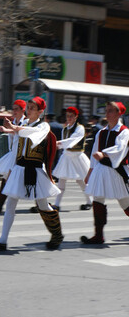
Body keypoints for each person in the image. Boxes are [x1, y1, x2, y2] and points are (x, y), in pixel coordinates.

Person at [0, 97, 63, 251]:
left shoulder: (43, 126)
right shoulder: (23, 124)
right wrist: (11, 168)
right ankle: (2, 240)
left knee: (43, 204)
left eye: (33, 108)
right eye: (29, 107)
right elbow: (16, 148)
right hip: (20, 168)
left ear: (40, 112)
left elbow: (32, 134)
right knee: (11, 203)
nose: (29, 110)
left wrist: (14, 127)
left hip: (36, 170)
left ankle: (57, 234)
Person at [80, 102, 129, 245]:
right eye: (106, 111)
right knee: (97, 200)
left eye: (111, 111)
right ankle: (98, 235)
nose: (107, 114)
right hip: (101, 170)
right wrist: (89, 172)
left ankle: (98, 235)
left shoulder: (124, 131)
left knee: (125, 203)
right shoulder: (101, 132)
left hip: (117, 171)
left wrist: (103, 154)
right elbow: (94, 155)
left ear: (119, 113)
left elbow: (120, 149)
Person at [0, 99, 27, 213]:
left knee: (31, 180)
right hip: (14, 154)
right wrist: (8, 128)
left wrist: (7, 129)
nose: (14, 111)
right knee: (7, 177)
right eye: (14, 109)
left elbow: (19, 132)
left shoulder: (25, 122)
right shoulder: (14, 122)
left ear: (23, 110)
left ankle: (42, 205)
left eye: (17, 109)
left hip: (23, 156)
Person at [52, 107, 92, 211]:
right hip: (67, 156)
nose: (69, 118)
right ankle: (57, 204)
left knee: (81, 181)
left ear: (76, 117)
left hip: (77, 156)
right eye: (67, 116)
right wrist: (59, 145)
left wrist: (59, 144)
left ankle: (90, 201)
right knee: (61, 180)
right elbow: (65, 143)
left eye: (71, 116)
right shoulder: (65, 129)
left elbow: (73, 140)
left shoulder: (80, 128)